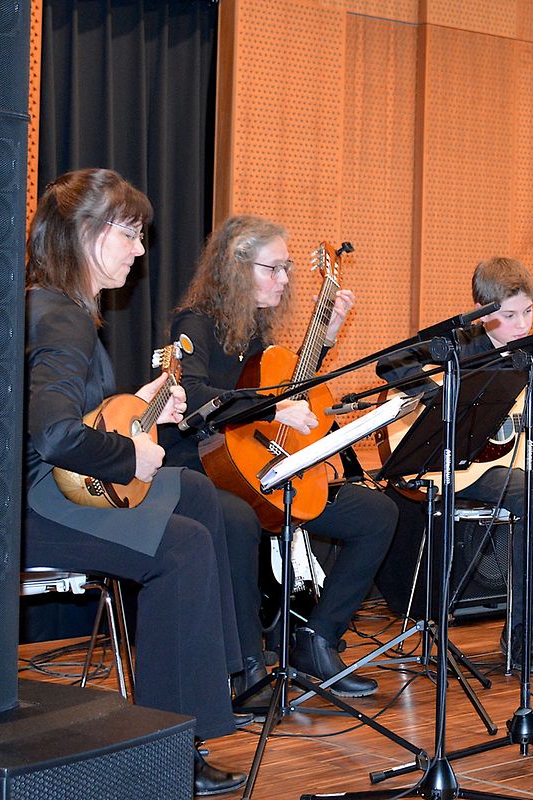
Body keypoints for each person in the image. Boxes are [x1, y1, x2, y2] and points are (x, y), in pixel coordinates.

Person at [21, 168, 247, 795]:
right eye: (131, 234)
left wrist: (141, 406)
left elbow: (78, 416)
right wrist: (128, 457)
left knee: (194, 490)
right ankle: (170, 745)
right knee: (183, 547)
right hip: (36, 506)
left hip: (51, 490)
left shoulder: (53, 307)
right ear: (88, 233)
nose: (140, 250)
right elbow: (55, 437)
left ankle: (223, 679)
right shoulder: (63, 319)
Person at [164, 215, 396, 697]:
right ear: (236, 266)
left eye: (286, 268)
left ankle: (317, 637)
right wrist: (271, 408)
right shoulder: (195, 323)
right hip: (201, 467)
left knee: (377, 513)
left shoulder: (256, 331)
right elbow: (191, 393)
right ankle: (247, 669)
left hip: (260, 467)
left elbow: (287, 391)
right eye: (273, 268)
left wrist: (325, 338)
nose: (284, 279)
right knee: (238, 520)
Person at [377, 257, 533, 672]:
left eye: (528, 312)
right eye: (510, 315)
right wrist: (448, 403)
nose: (523, 324)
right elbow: (390, 363)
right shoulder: (457, 343)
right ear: (483, 312)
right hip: (470, 465)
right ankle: (520, 631)